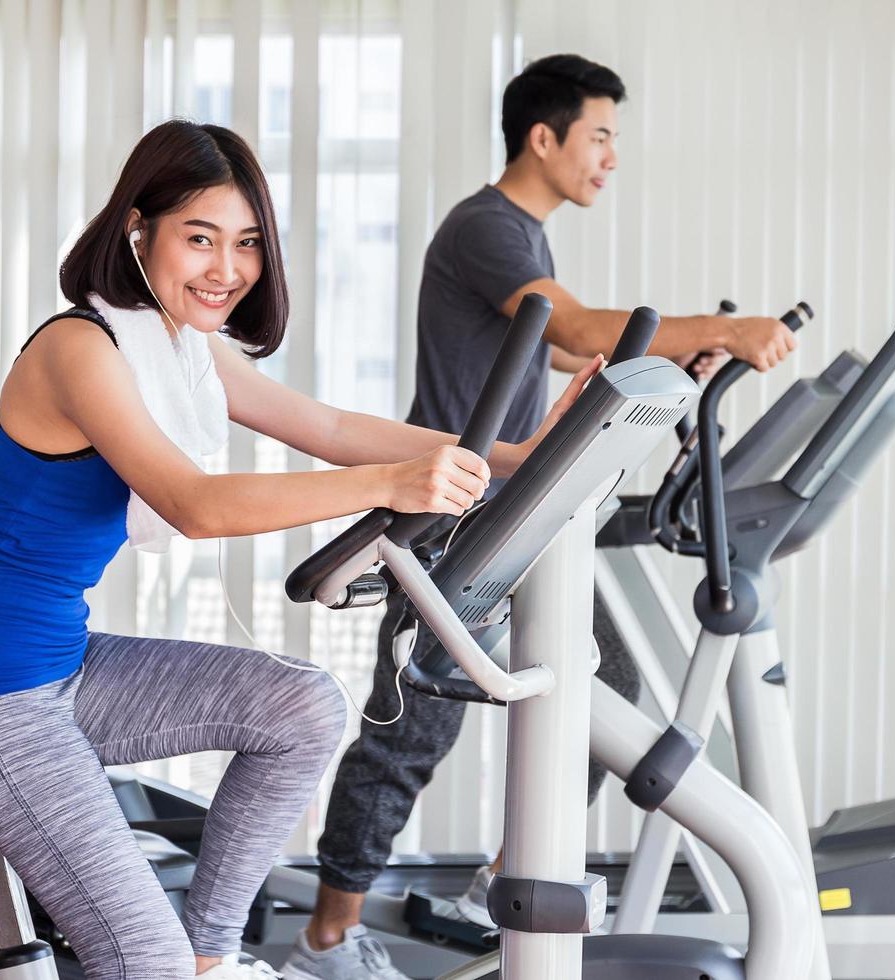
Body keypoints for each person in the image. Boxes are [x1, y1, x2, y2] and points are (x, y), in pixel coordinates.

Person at [0, 119, 599, 980]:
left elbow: (327, 426)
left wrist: (514, 457)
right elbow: (193, 504)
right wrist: (388, 485)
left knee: (302, 708)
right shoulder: (80, 348)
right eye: (200, 238)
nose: (227, 269)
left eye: (247, 242)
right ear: (137, 230)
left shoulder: (181, 347)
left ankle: (211, 955)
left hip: (53, 667)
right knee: (137, 957)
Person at [284, 54, 798, 980]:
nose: (609, 157)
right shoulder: (487, 227)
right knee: (411, 729)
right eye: (598, 136)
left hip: (515, 515)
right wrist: (720, 329)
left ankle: (501, 886)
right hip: (450, 511)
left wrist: (675, 366)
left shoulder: (521, 238)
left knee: (603, 694)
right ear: (543, 136)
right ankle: (325, 938)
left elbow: (549, 362)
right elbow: (565, 330)